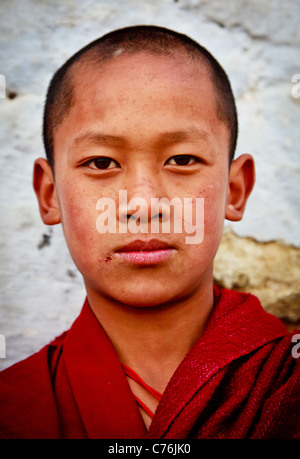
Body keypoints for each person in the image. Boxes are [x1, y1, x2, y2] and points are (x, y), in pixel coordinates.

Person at [0, 25, 299, 440]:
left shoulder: (287, 382)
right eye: (102, 163)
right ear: (50, 195)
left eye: (182, 158)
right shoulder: (13, 408)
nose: (143, 204)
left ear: (235, 190)